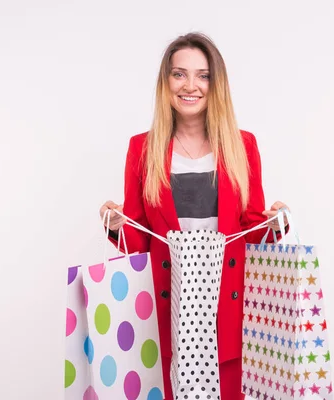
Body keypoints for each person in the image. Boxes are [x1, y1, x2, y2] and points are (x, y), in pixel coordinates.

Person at [99, 32, 289, 400]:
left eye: (202, 75)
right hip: (168, 309)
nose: (190, 86)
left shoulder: (242, 144)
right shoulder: (142, 148)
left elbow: (249, 231)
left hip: (227, 307)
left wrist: (274, 224)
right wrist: (114, 226)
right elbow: (139, 242)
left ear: (215, 85)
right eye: (179, 74)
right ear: (165, 82)